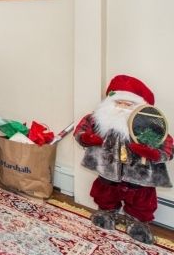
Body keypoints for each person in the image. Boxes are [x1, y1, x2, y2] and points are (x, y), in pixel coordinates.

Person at [74, 75, 172, 244]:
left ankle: (137, 222)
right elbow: (80, 131)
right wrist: (86, 138)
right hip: (108, 170)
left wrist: (153, 153)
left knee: (141, 198)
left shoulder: (151, 126)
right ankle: (107, 212)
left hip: (138, 175)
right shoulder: (97, 119)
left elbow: (168, 147)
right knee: (106, 191)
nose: (122, 108)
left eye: (129, 104)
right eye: (119, 103)